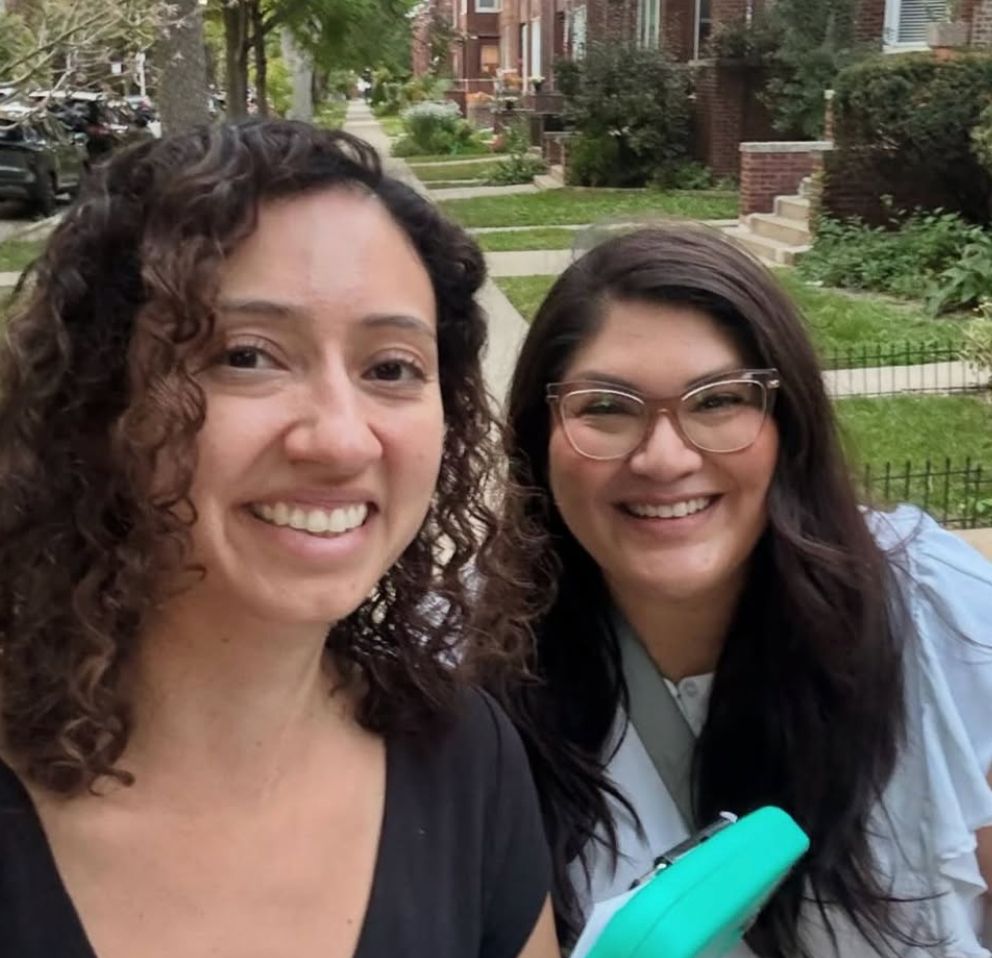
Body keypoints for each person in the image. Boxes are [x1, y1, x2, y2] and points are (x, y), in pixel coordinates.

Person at [0, 120, 556, 958]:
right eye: (249, 356)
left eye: (391, 368)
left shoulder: (464, 763)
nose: (341, 440)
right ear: (99, 398)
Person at [474, 224, 992, 957]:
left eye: (717, 401)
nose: (664, 457)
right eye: (606, 408)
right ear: (537, 436)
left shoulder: (941, 619)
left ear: (788, 426)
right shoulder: (466, 661)